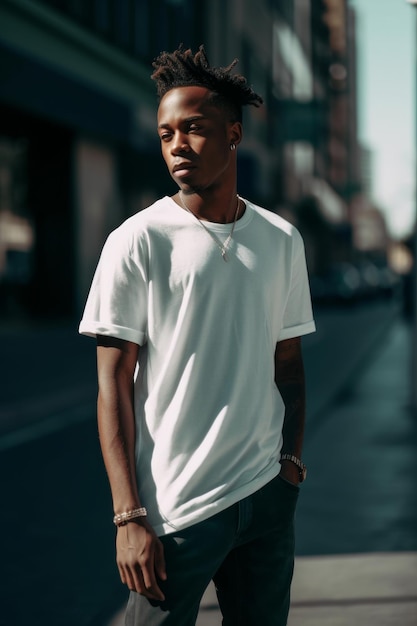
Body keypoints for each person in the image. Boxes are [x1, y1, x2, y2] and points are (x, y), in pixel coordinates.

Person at [79, 44, 316, 626]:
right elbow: (113, 387)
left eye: (194, 129)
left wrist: (289, 467)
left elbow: (289, 367)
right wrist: (128, 516)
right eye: (165, 134)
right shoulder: (136, 240)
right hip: (176, 511)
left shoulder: (281, 239)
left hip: (265, 498)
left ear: (233, 134)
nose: (177, 145)